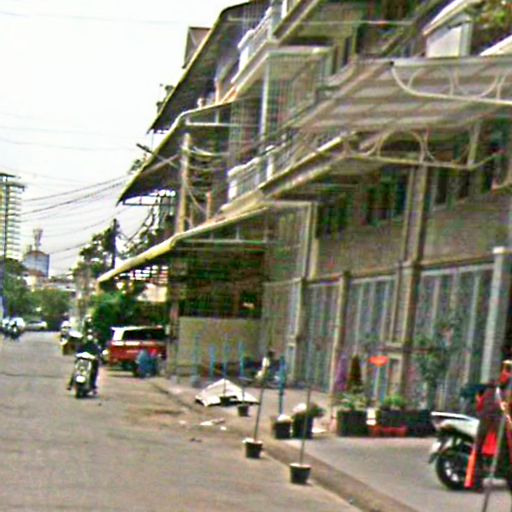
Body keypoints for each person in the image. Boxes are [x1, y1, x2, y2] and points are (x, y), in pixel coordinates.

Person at [465, 360, 512, 491]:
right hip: (498, 427)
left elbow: (479, 406)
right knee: (505, 456)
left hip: (486, 425)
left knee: (478, 454)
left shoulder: (491, 388)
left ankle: (475, 482)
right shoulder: (506, 388)